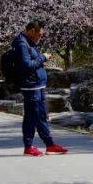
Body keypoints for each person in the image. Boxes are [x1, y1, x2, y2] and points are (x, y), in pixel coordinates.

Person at [9, 21, 68, 157]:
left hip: (38, 84)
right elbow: (26, 65)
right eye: (39, 35)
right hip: (30, 86)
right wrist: (43, 57)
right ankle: (28, 146)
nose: (40, 38)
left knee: (41, 115)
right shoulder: (21, 44)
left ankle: (50, 145)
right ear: (31, 30)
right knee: (31, 116)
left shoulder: (29, 42)